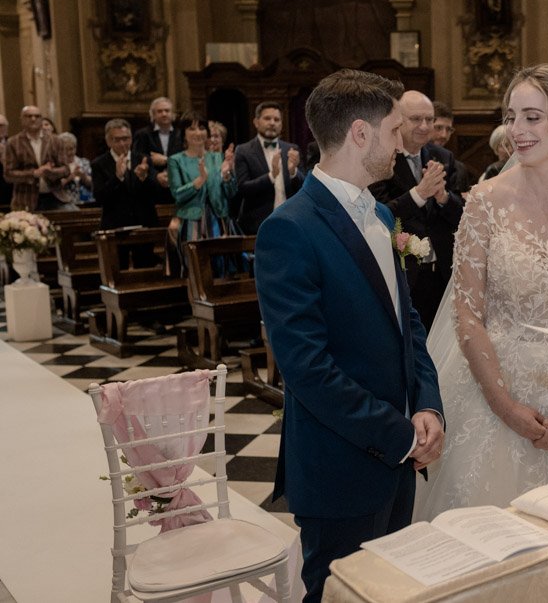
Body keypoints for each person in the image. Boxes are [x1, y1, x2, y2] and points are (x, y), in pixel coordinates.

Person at [413, 64, 548, 520]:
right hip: (495, 389)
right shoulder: (483, 202)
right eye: (512, 117)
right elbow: (467, 314)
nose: (517, 130)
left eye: (532, 116)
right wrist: (505, 405)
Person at [255, 69, 443, 603]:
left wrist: (427, 406)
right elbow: (306, 368)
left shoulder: (381, 213)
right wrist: (398, 434)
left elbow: (407, 324)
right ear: (360, 133)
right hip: (340, 466)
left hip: (399, 458)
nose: (400, 142)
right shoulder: (290, 229)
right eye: (392, 130)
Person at [370, 90, 464, 331]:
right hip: (403, 273)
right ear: (399, 120)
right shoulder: (382, 158)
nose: (425, 126)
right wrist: (419, 194)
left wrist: (443, 197)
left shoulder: (443, 157)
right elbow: (378, 214)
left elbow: (461, 216)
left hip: (442, 273)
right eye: (416, 119)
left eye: (430, 119)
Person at [166, 112, 237, 274]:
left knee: (221, 268)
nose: (198, 133)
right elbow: (177, 195)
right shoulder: (176, 160)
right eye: (191, 129)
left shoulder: (218, 158)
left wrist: (227, 176)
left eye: (201, 128)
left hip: (218, 218)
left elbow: (231, 193)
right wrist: (198, 182)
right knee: (195, 268)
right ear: (183, 133)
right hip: (191, 220)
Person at [91, 119, 161, 267]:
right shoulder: (99, 164)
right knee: (118, 269)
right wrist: (117, 178)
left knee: (145, 270)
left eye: (126, 138)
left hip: (143, 223)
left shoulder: (143, 159)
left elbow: (156, 192)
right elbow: (99, 197)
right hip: (115, 226)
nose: (123, 143)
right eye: (117, 139)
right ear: (108, 141)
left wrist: (144, 178)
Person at [234, 101, 303, 234]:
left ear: (281, 124)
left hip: (290, 222)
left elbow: (303, 187)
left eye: (277, 119)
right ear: (256, 122)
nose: (272, 123)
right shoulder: (243, 151)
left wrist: (293, 172)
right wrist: (271, 176)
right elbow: (242, 188)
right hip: (257, 225)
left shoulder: (292, 149)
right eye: (267, 118)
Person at [3, 105, 68, 212]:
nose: (33, 119)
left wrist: (50, 171)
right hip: (25, 200)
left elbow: (66, 170)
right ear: (22, 119)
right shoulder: (13, 143)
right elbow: (8, 174)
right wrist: (34, 173)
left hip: (54, 197)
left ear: (41, 119)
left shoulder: (55, 141)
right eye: (28, 116)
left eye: (37, 116)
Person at [132, 96, 183, 204]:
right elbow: (137, 159)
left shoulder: (181, 134)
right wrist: (156, 176)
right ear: (153, 115)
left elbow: (186, 159)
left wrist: (166, 160)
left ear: (173, 114)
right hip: (151, 188)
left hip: (177, 187)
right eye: (159, 111)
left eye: (167, 111)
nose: (164, 114)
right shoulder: (142, 134)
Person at [57, 132, 93, 204]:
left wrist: (83, 176)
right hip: (63, 204)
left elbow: (93, 183)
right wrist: (70, 178)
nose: (69, 152)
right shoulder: (57, 165)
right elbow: (54, 187)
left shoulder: (83, 162)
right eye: (66, 149)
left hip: (85, 202)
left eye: (71, 148)